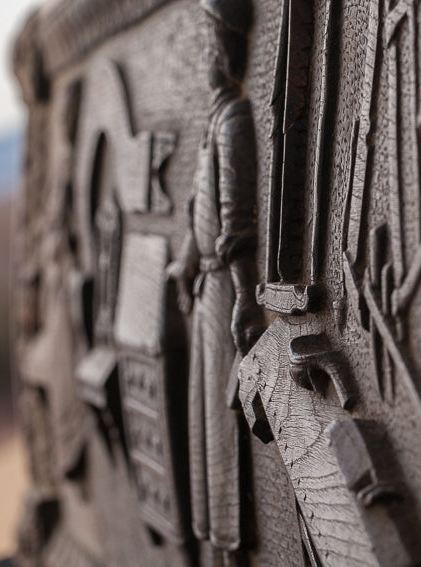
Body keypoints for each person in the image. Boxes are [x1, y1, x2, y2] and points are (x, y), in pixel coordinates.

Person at [166, 0, 261, 563]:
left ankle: (233, 545)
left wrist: (247, 294)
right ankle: (216, 546)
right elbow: (198, 211)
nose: (202, 54)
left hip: (227, 291)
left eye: (207, 43)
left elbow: (237, 221)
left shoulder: (234, 122)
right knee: (204, 428)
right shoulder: (212, 124)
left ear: (225, 49)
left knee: (225, 433)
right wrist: (183, 261)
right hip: (203, 292)